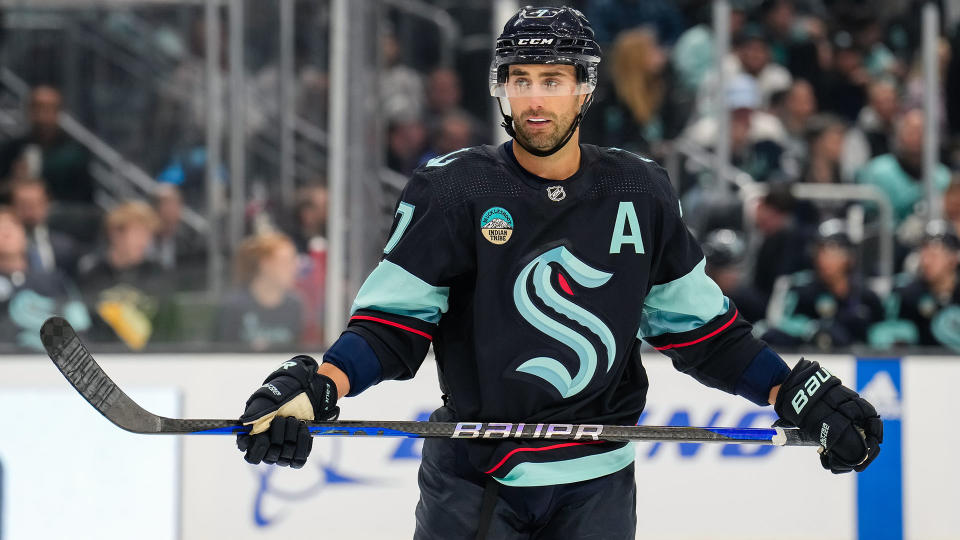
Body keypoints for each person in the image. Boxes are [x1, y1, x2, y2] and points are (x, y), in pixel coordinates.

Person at [235, 8, 883, 540]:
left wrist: (792, 390)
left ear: (585, 87)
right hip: (474, 479)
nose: (535, 97)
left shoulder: (639, 191)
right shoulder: (454, 190)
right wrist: (321, 387)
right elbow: (388, 325)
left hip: (595, 485)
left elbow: (705, 333)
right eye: (520, 79)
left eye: (552, 79)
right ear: (501, 88)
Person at [763, 219, 884, 350]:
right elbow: (776, 322)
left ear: (849, 256)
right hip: (807, 360)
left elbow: (885, 330)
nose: (824, 258)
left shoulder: (866, 296)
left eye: (833, 251)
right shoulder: (800, 289)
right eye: (820, 251)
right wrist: (811, 329)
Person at [76, 201, 170, 349]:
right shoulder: (93, 274)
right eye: (138, 233)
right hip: (106, 357)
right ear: (115, 234)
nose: (144, 241)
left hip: (150, 359)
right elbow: (86, 323)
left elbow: (166, 326)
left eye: (148, 234)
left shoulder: (157, 273)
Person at [0, 207, 90, 350]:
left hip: (53, 362)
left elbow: (80, 323)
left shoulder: (55, 280)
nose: (6, 232)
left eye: (12, 226)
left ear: (24, 235)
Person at [0, 86, 95, 204]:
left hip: (64, 217)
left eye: (49, 109)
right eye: (37, 108)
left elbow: (85, 197)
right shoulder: (11, 150)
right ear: (28, 111)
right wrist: (14, 180)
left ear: (58, 112)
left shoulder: (75, 153)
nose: (42, 115)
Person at [214, 231, 303, 351]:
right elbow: (221, 353)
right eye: (286, 262)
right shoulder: (233, 307)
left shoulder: (294, 306)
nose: (294, 268)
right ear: (265, 265)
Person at [881, 221, 960, 349]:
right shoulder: (909, 295)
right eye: (923, 254)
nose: (926, 261)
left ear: (953, 258)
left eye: (934, 255)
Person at [8, 177, 79, 276]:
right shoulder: (5, 247)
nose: (30, 211)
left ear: (47, 204)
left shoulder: (66, 246)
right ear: (12, 206)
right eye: (23, 205)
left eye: (35, 204)